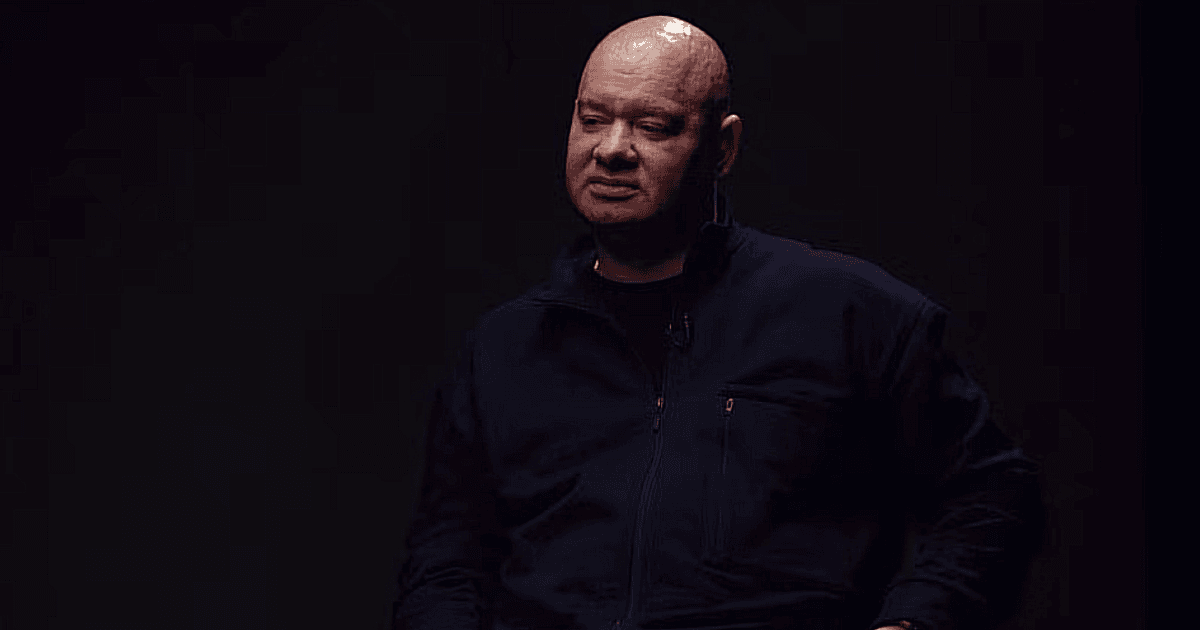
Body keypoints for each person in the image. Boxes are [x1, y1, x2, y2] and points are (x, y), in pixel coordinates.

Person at [395, 15, 1042, 630]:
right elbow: (446, 564)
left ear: (722, 147)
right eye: (592, 119)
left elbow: (991, 495)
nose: (611, 149)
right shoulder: (503, 347)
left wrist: (913, 620)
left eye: (653, 126)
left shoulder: (850, 313)